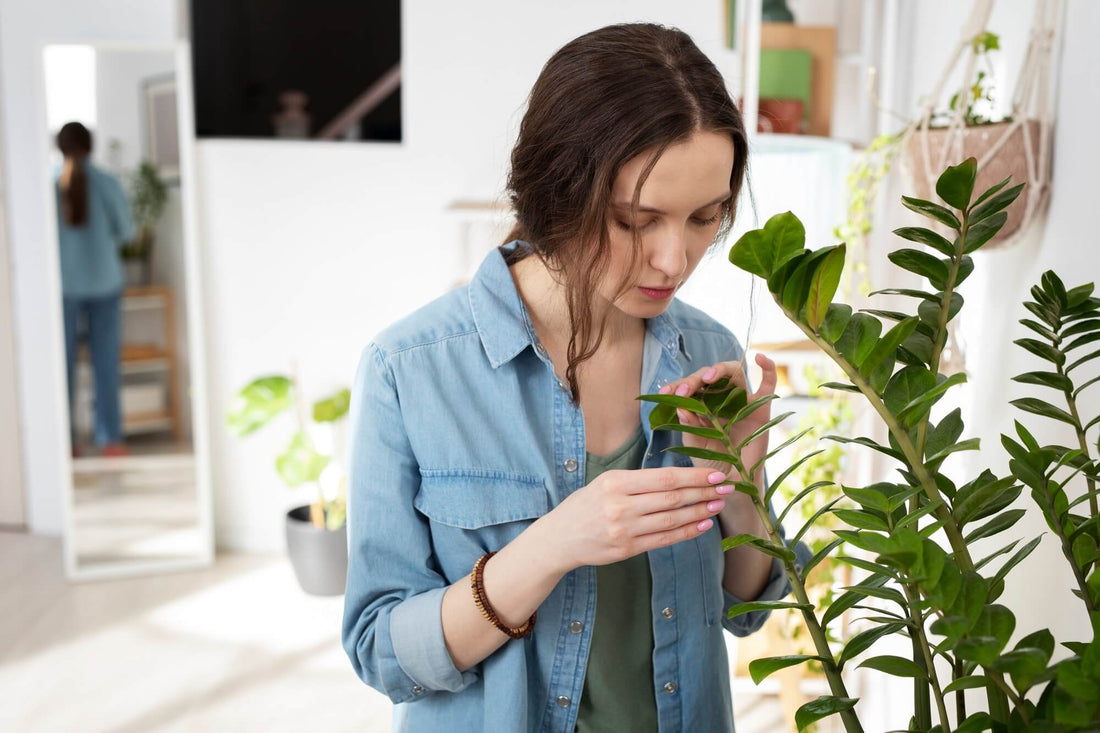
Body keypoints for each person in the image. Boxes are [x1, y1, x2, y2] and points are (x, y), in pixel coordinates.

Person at [342, 23, 811, 733]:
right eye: (634, 221)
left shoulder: (707, 352)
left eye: (704, 217)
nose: (673, 260)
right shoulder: (409, 370)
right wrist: (552, 545)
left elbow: (746, 609)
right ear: (558, 193)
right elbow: (382, 651)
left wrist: (740, 490)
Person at [55, 121, 135, 457]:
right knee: (105, 362)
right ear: (91, 145)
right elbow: (127, 232)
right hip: (105, 283)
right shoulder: (107, 183)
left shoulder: (48, 184)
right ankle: (110, 439)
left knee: (62, 364)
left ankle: (66, 443)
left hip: (63, 287)